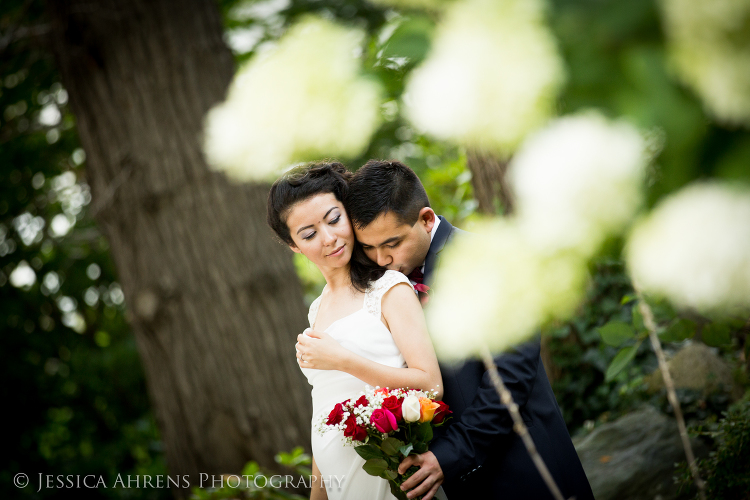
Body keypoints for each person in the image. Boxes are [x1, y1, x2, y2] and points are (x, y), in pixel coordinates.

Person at [345, 160, 595, 500]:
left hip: (526, 469)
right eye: (369, 248)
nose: (381, 259)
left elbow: (511, 375)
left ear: (427, 218)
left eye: (392, 243)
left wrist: (451, 454)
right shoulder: (389, 287)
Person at [266, 161, 444, 500]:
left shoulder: (389, 288)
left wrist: (343, 359)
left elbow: (430, 384)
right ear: (293, 246)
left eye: (334, 220)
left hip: (386, 475)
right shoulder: (316, 309)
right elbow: (323, 412)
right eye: (309, 234)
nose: (329, 238)